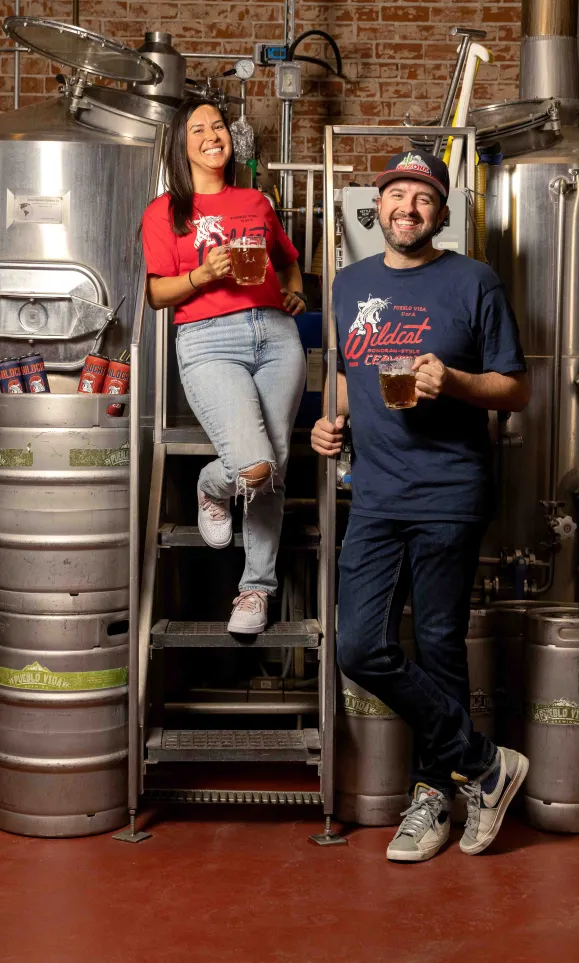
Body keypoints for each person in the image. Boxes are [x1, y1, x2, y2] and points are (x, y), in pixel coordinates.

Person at [311, 149, 531, 862]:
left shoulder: (475, 281)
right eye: (397, 195)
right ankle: (487, 762)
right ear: (377, 207)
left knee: (438, 645)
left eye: (423, 198)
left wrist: (457, 382)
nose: (408, 208)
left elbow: (516, 387)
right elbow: (346, 380)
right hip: (374, 491)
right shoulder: (349, 284)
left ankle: (434, 795)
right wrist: (325, 420)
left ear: (441, 212)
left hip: (449, 492)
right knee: (360, 647)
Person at [141, 99, 307, 634]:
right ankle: (214, 488)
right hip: (209, 340)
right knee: (257, 468)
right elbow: (156, 294)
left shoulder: (255, 199)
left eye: (218, 126)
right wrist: (203, 276)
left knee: (274, 470)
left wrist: (297, 291)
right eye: (199, 129)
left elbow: (286, 257)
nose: (213, 135)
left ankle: (255, 591)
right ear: (180, 145)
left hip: (277, 337)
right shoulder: (165, 212)